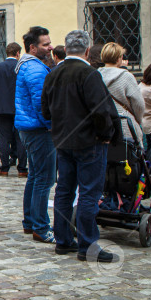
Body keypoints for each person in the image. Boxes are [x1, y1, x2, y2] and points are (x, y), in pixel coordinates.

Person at [42, 30, 120, 263]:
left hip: (63, 141)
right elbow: (101, 110)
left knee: (64, 191)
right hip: (89, 142)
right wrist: (106, 135)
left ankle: (63, 239)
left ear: (65, 49)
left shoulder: (53, 74)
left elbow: (46, 110)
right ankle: (87, 246)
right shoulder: (89, 74)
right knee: (88, 193)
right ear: (87, 50)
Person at [15, 26, 56, 243]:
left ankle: (31, 222)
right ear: (33, 47)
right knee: (45, 178)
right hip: (38, 129)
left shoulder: (31, 66)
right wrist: (51, 125)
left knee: (35, 176)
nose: (50, 47)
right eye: (45, 44)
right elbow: (42, 103)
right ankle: (41, 226)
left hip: (30, 127)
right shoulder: (35, 69)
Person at [0, 42, 26, 177]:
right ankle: (22, 168)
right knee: (20, 138)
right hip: (19, 107)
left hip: (3, 107)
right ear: (17, 53)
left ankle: (4, 167)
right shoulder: (22, 67)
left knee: (4, 138)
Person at [99, 43, 144, 142]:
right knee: (127, 155)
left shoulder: (95, 76)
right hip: (125, 124)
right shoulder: (126, 77)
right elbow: (139, 104)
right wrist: (138, 119)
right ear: (119, 58)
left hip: (102, 126)